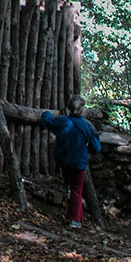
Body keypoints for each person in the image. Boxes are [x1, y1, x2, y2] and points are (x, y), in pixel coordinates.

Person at [41, 95, 101, 228]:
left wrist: (46, 113)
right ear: (82, 109)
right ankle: (75, 220)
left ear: (69, 108)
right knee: (76, 190)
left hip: (64, 161)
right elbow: (97, 147)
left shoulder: (62, 121)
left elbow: (48, 122)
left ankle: (71, 215)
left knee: (71, 188)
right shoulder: (86, 126)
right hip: (79, 163)